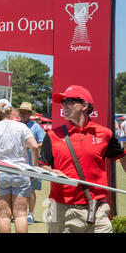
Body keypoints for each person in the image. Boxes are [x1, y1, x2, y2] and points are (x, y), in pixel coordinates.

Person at [38, 85, 126, 233]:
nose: (64, 106)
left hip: (97, 209)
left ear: (85, 105)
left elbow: (122, 157)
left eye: (69, 101)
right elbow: (42, 165)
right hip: (61, 209)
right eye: (63, 102)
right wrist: (52, 172)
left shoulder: (105, 134)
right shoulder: (52, 135)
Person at [0, 100, 39, 233]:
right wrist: (34, 169)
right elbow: (34, 146)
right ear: (11, 112)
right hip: (20, 172)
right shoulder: (21, 127)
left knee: (4, 216)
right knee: (21, 215)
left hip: (0, 174)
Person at [18, 101, 45, 224]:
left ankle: (31, 214)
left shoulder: (36, 127)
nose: (22, 114)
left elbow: (43, 142)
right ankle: (19, 213)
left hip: (32, 163)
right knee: (18, 188)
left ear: (29, 114)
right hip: (18, 162)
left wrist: (31, 146)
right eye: (21, 112)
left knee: (30, 189)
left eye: (25, 112)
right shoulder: (16, 125)